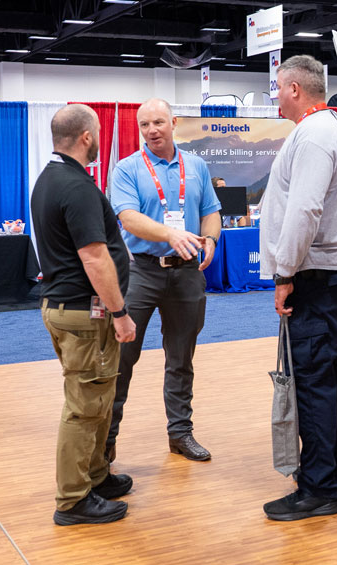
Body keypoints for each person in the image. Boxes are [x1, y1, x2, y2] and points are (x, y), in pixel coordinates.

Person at [259, 55, 337, 521]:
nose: (275, 97)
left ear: (296, 90)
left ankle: (319, 487)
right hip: (329, 272)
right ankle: (334, 468)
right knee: (327, 371)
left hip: (315, 275)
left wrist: (285, 274)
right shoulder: (331, 130)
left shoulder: (316, 135)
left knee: (313, 378)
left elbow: (304, 211)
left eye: (278, 89)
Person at [32, 104, 138, 525]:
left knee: (98, 398)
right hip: (84, 313)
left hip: (70, 308)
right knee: (84, 406)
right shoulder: (75, 186)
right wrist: (120, 311)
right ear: (88, 137)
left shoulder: (51, 178)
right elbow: (95, 259)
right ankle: (73, 499)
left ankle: (96, 475)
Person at [108, 98, 221, 464]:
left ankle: (180, 433)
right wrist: (171, 235)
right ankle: (106, 440)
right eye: (144, 125)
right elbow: (128, 218)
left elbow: (210, 212)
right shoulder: (127, 169)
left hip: (187, 272)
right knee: (123, 357)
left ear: (173, 123)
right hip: (142, 270)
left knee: (181, 357)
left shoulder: (197, 166)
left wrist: (212, 239)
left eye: (158, 122)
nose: (152, 130)